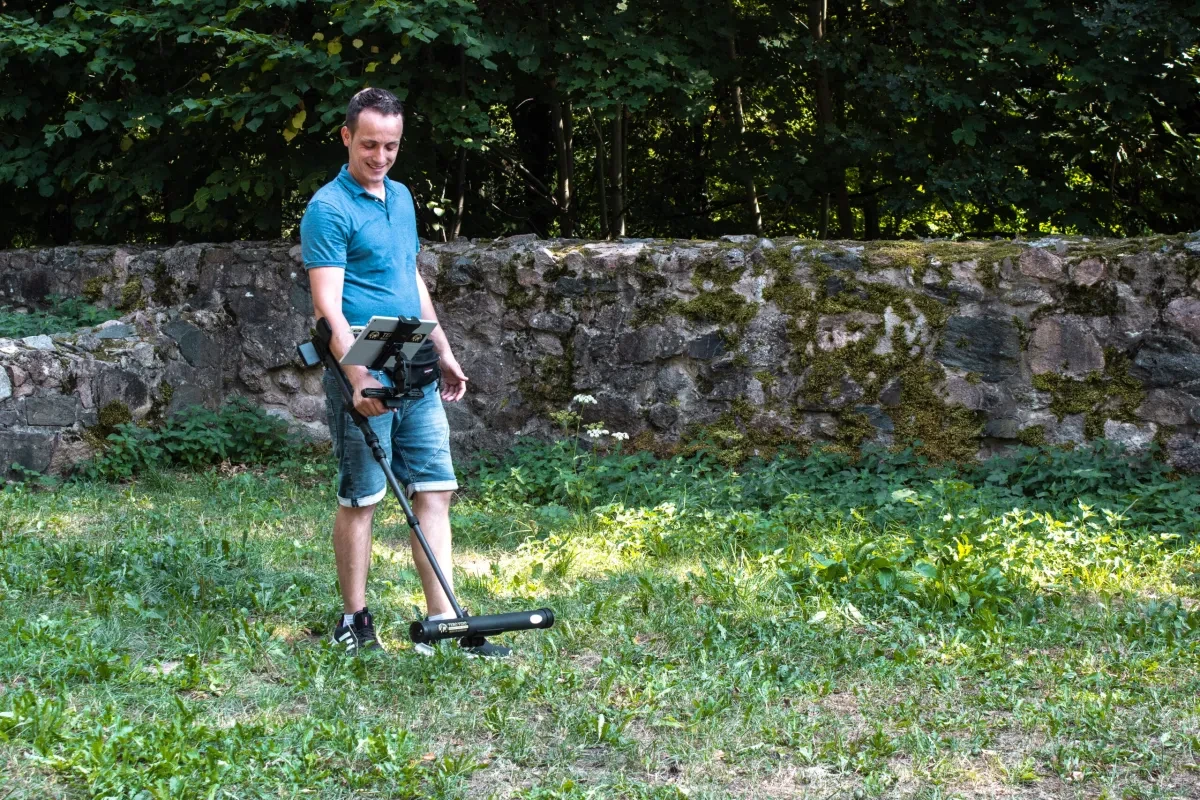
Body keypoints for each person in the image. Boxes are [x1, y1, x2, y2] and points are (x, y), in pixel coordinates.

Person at [300, 87, 509, 658]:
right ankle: (354, 620)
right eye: (370, 144)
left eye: (391, 146)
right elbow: (327, 306)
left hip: (409, 344)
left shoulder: (402, 197)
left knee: (436, 488)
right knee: (363, 495)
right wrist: (357, 377)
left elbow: (409, 277)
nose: (381, 156)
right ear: (347, 137)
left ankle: (444, 623)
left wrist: (442, 348)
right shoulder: (328, 208)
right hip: (360, 349)